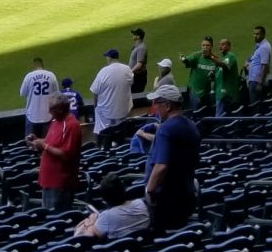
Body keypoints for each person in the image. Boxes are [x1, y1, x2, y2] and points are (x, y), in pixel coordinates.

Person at [143, 83, 200, 231]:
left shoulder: (165, 129)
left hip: (166, 200)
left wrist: (149, 190)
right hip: (187, 194)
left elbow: (161, 166)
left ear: (168, 106)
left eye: (158, 103)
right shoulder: (191, 125)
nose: (155, 107)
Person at [28, 96, 82, 214]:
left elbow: (66, 154)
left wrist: (44, 147)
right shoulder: (55, 121)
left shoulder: (71, 125)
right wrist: (37, 141)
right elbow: (50, 142)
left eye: (51, 108)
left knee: (55, 218)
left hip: (60, 183)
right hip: (48, 180)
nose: (49, 111)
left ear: (60, 110)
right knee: (47, 217)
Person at [74, 173, 152, 240]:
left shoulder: (106, 216)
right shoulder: (141, 203)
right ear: (124, 190)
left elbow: (86, 236)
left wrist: (89, 222)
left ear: (105, 199)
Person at [92, 50, 135, 135]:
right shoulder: (127, 69)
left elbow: (95, 91)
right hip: (124, 111)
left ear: (109, 58)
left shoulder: (103, 71)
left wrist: (96, 105)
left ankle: (102, 142)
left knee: (103, 131)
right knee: (121, 132)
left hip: (106, 113)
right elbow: (131, 83)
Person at [18, 58, 57, 138]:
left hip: (32, 115)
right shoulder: (51, 75)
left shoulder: (29, 76)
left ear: (34, 65)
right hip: (48, 115)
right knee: (47, 144)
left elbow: (22, 93)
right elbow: (57, 94)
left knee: (31, 145)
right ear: (42, 65)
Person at [245, 27, 272, 107]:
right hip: (254, 80)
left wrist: (260, 83)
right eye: (254, 34)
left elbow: (264, 66)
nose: (255, 36)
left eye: (258, 34)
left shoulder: (264, 47)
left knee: (255, 107)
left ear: (263, 34)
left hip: (256, 81)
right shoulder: (259, 46)